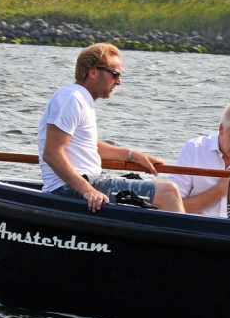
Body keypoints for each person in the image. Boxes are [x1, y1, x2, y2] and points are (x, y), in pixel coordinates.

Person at [37, 43, 185, 213]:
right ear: (93, 72)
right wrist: (89, 190)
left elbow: (90, 147)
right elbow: (52, 153)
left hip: (83, 183)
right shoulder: (72, 98)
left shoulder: (81, 99)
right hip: (68, 190)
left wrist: (133, 156)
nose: (119, 82)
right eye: (115, 74)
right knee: (168, 192)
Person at [171, 100, 230, 217]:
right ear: (221, 129)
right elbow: (173, 206)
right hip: (194, 227)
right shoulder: (194, 149)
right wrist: (221, 190)